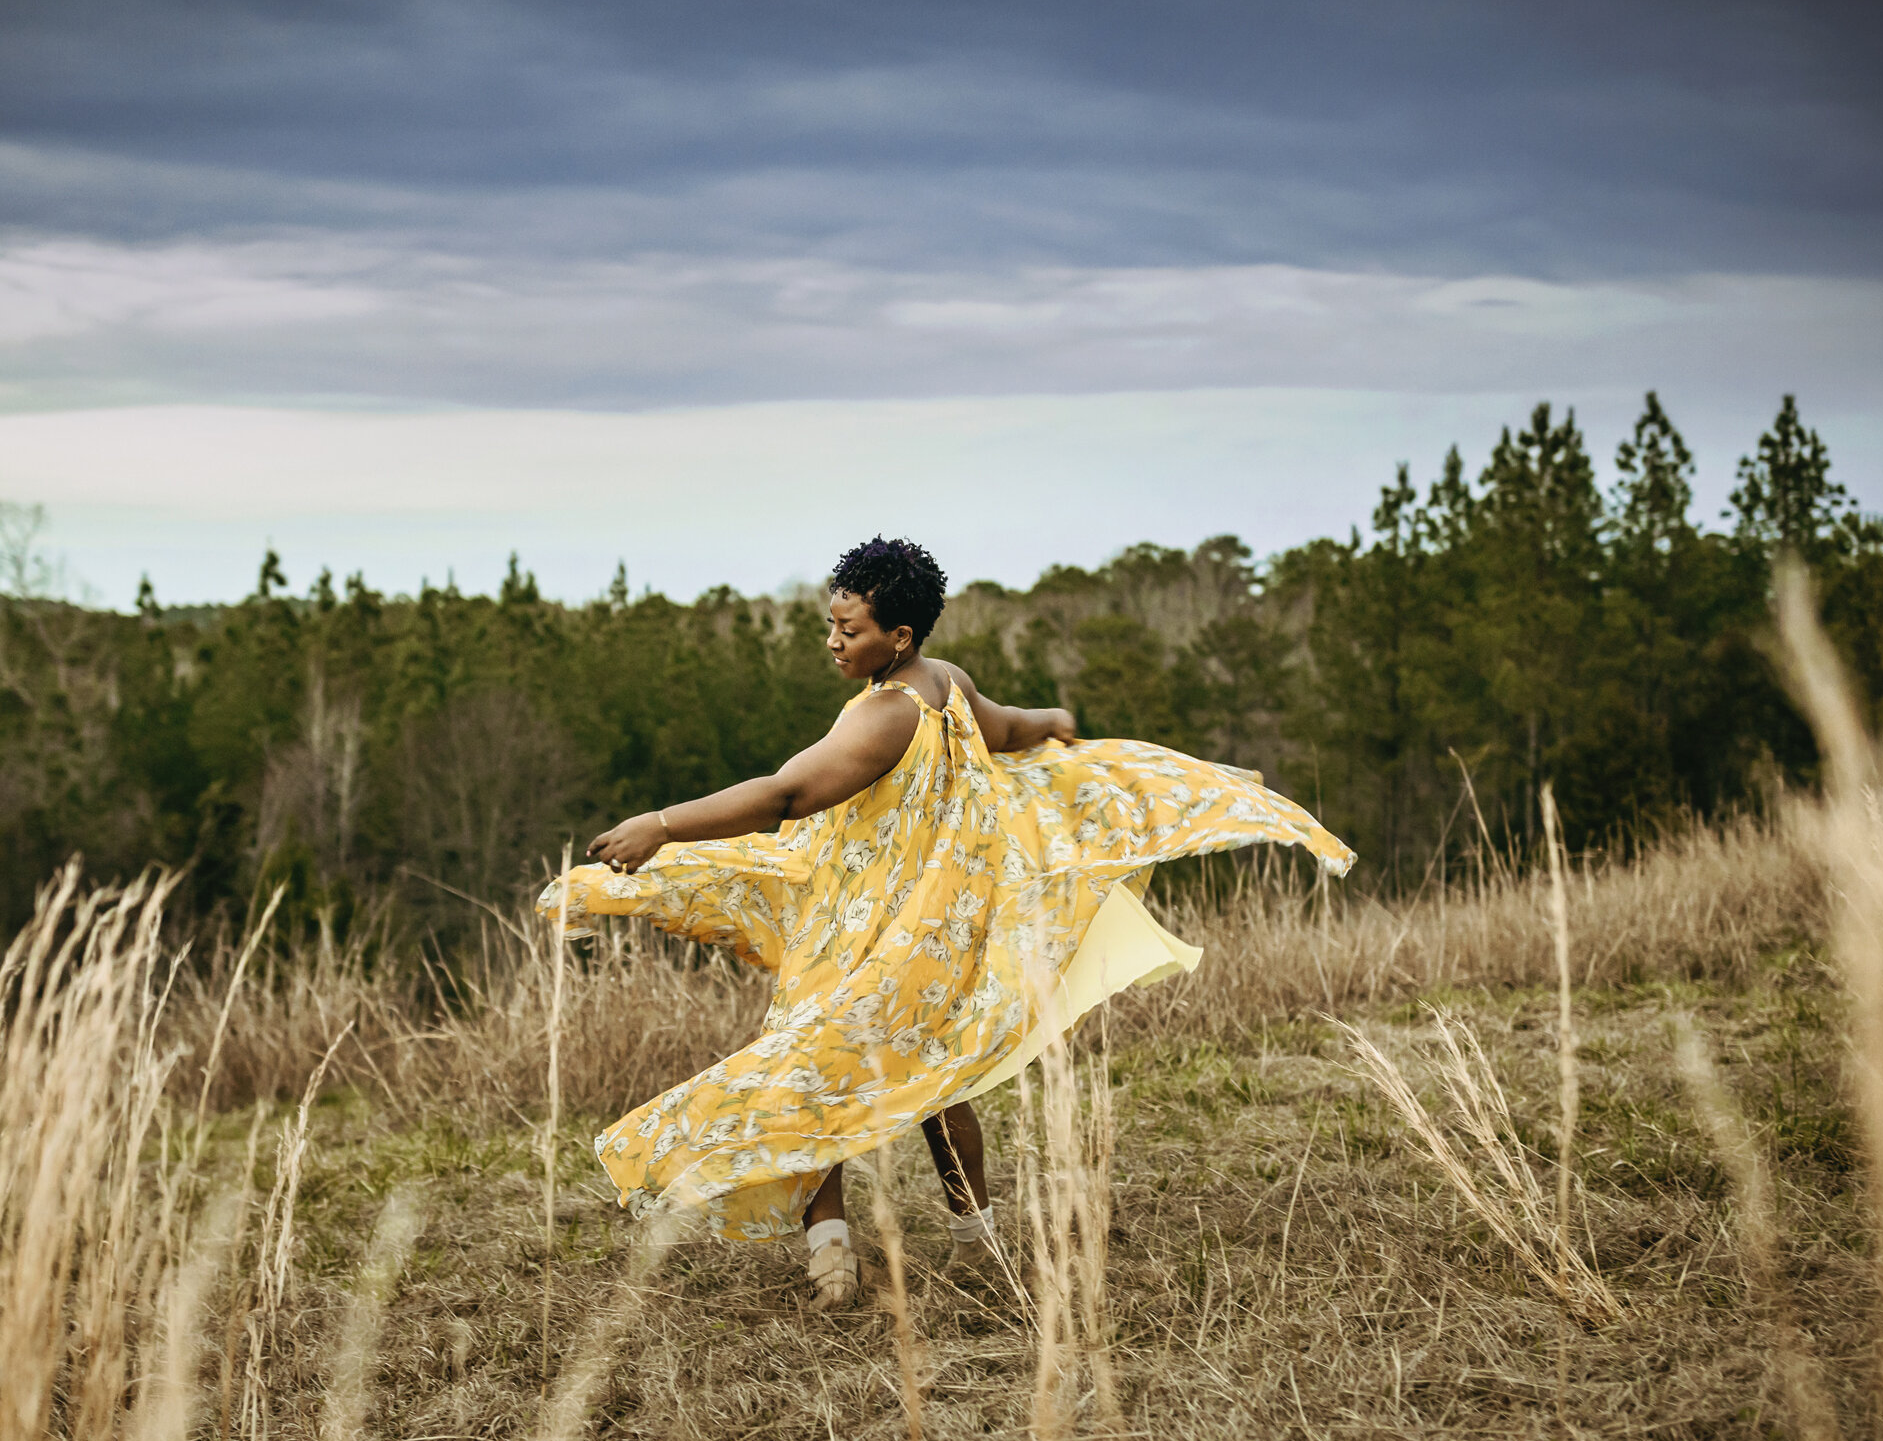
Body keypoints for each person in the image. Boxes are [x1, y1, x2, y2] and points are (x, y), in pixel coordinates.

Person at [540, 538, 1353, 1307]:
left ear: (897, 636)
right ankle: (971, 1238)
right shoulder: (947, 684)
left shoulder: (884, 714)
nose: (832, 640)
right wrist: (1052, 717)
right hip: (930, 929)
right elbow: (1006, 730)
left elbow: (786, 796)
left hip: (866, 929)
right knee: (933, 1077)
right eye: (830, 622)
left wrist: (663, 822)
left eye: (848, 628)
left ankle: (833, 1253)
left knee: (811, 1068)